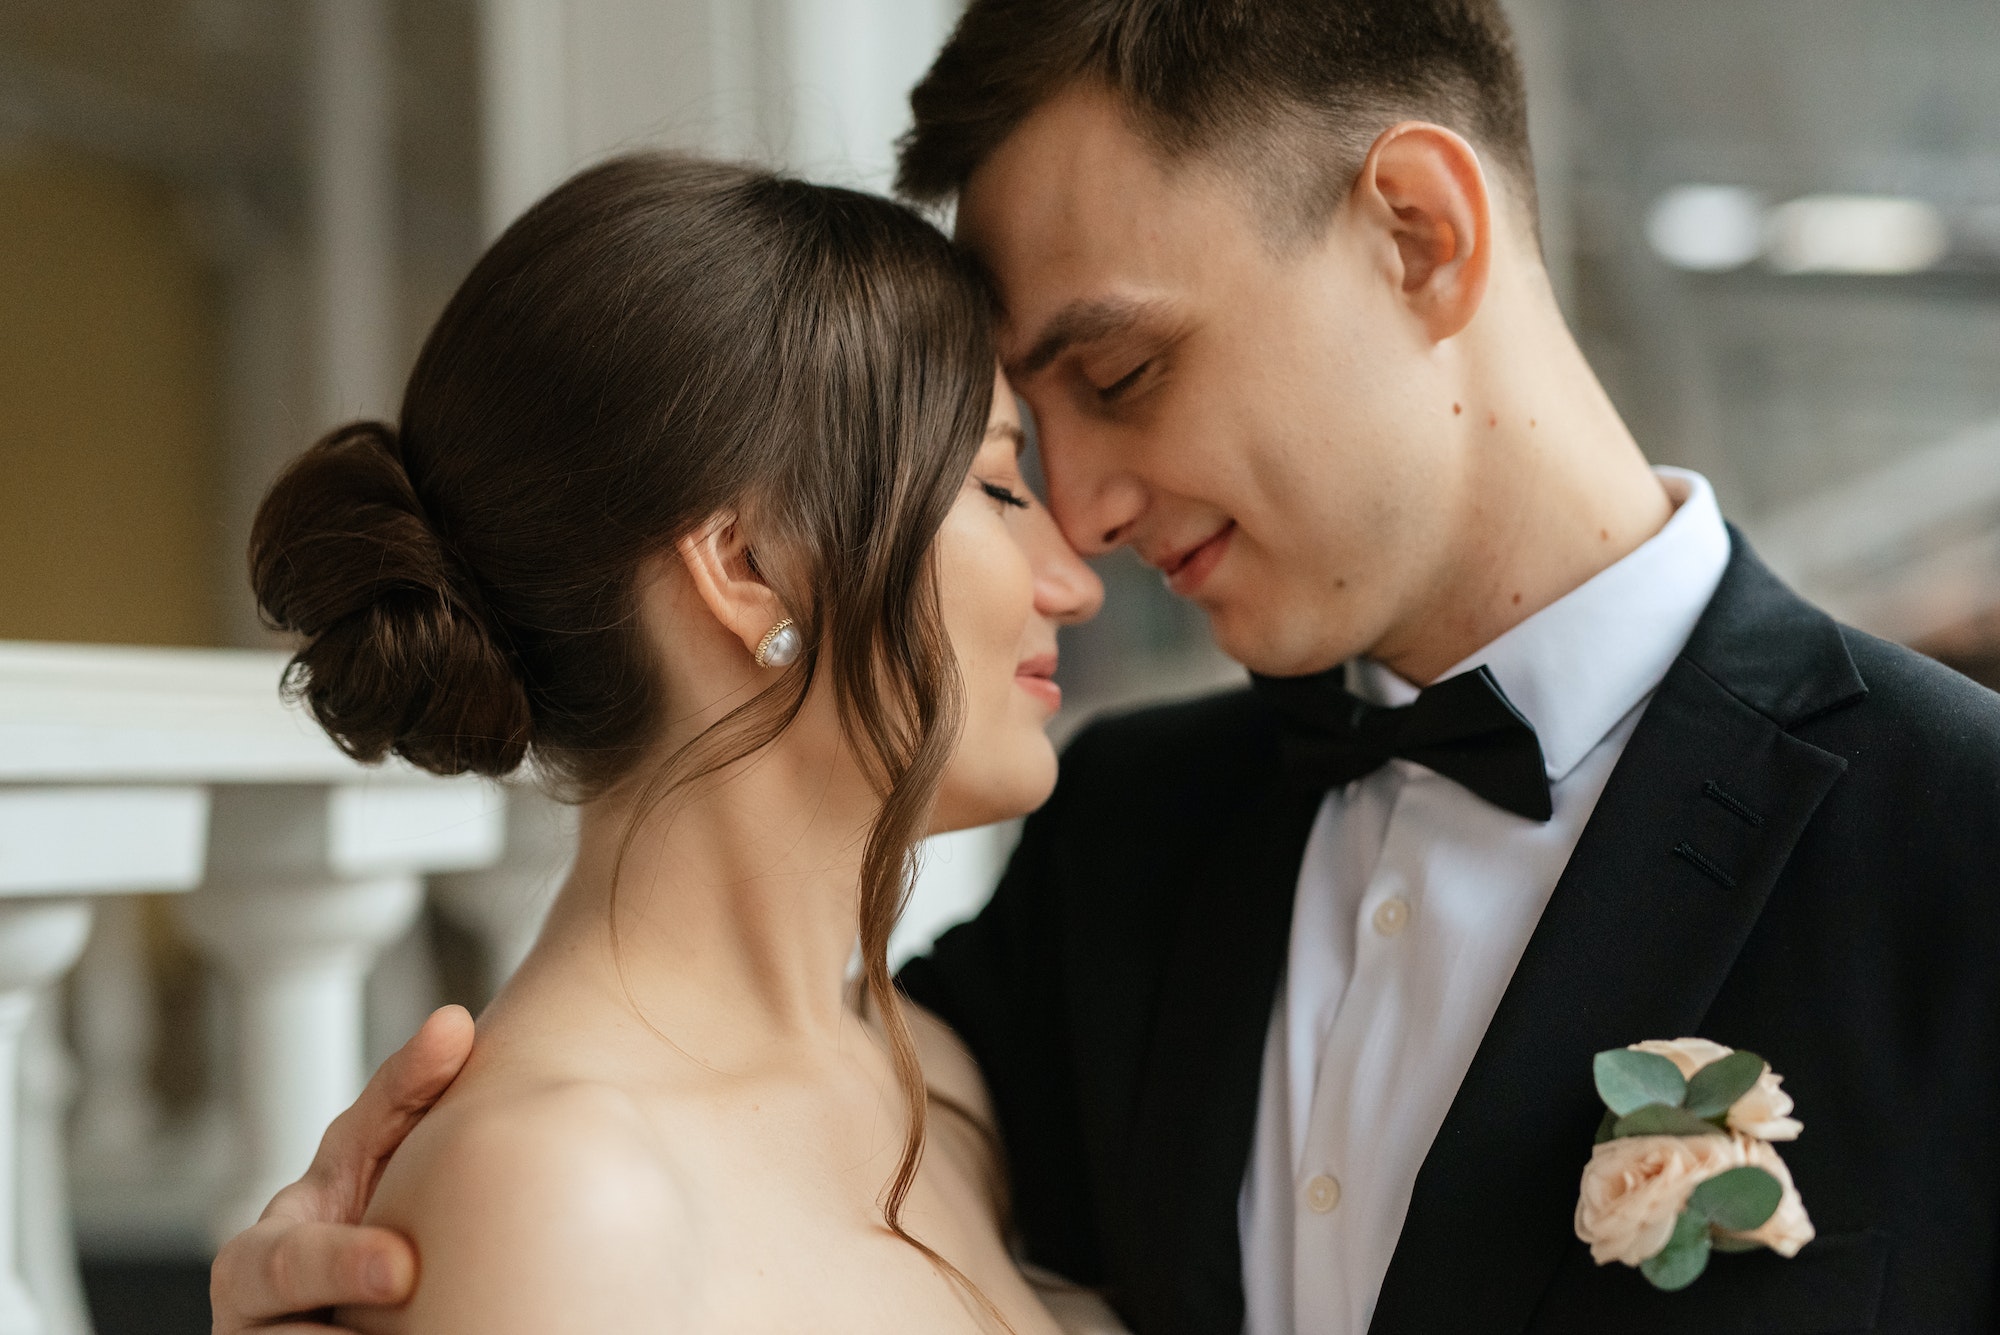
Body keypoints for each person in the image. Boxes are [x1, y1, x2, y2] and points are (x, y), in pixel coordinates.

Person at [215, 3, 2000, 1333]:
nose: (1084, 517)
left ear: (1419, 233)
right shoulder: (1122, 860)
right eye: (1014, 450)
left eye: (1122, 376)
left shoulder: (1963, 845)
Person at [229, 150, 1119, 1334]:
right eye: (1001, 487)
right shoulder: (563, 1195)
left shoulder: (937, 1088)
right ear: (746, 565)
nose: (1072, 580)